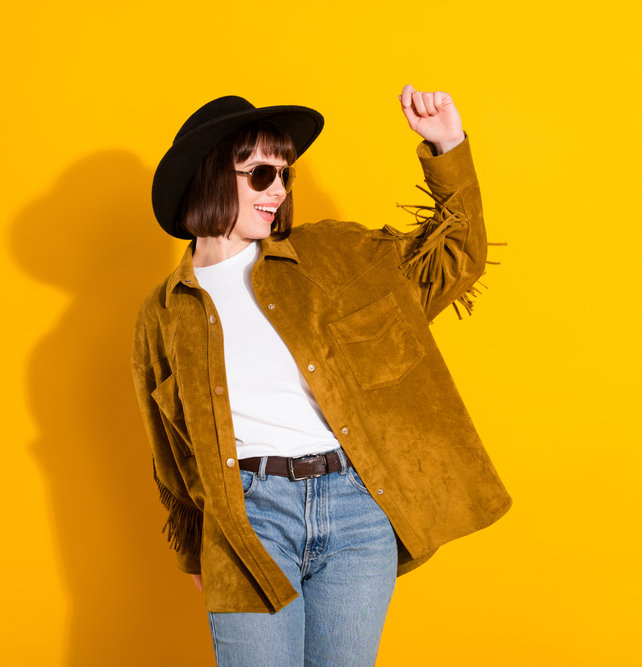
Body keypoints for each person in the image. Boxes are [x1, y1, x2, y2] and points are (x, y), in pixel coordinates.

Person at [132, 84, 511, 667]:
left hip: (357, 510)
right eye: (260, 174)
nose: (278, 189)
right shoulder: (164, 312)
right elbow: (170, 448)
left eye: (283, 174)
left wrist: (447, 146)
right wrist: (197, 554)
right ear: (211, 176)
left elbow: (455, 259)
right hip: (246, 518)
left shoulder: (332, 256)